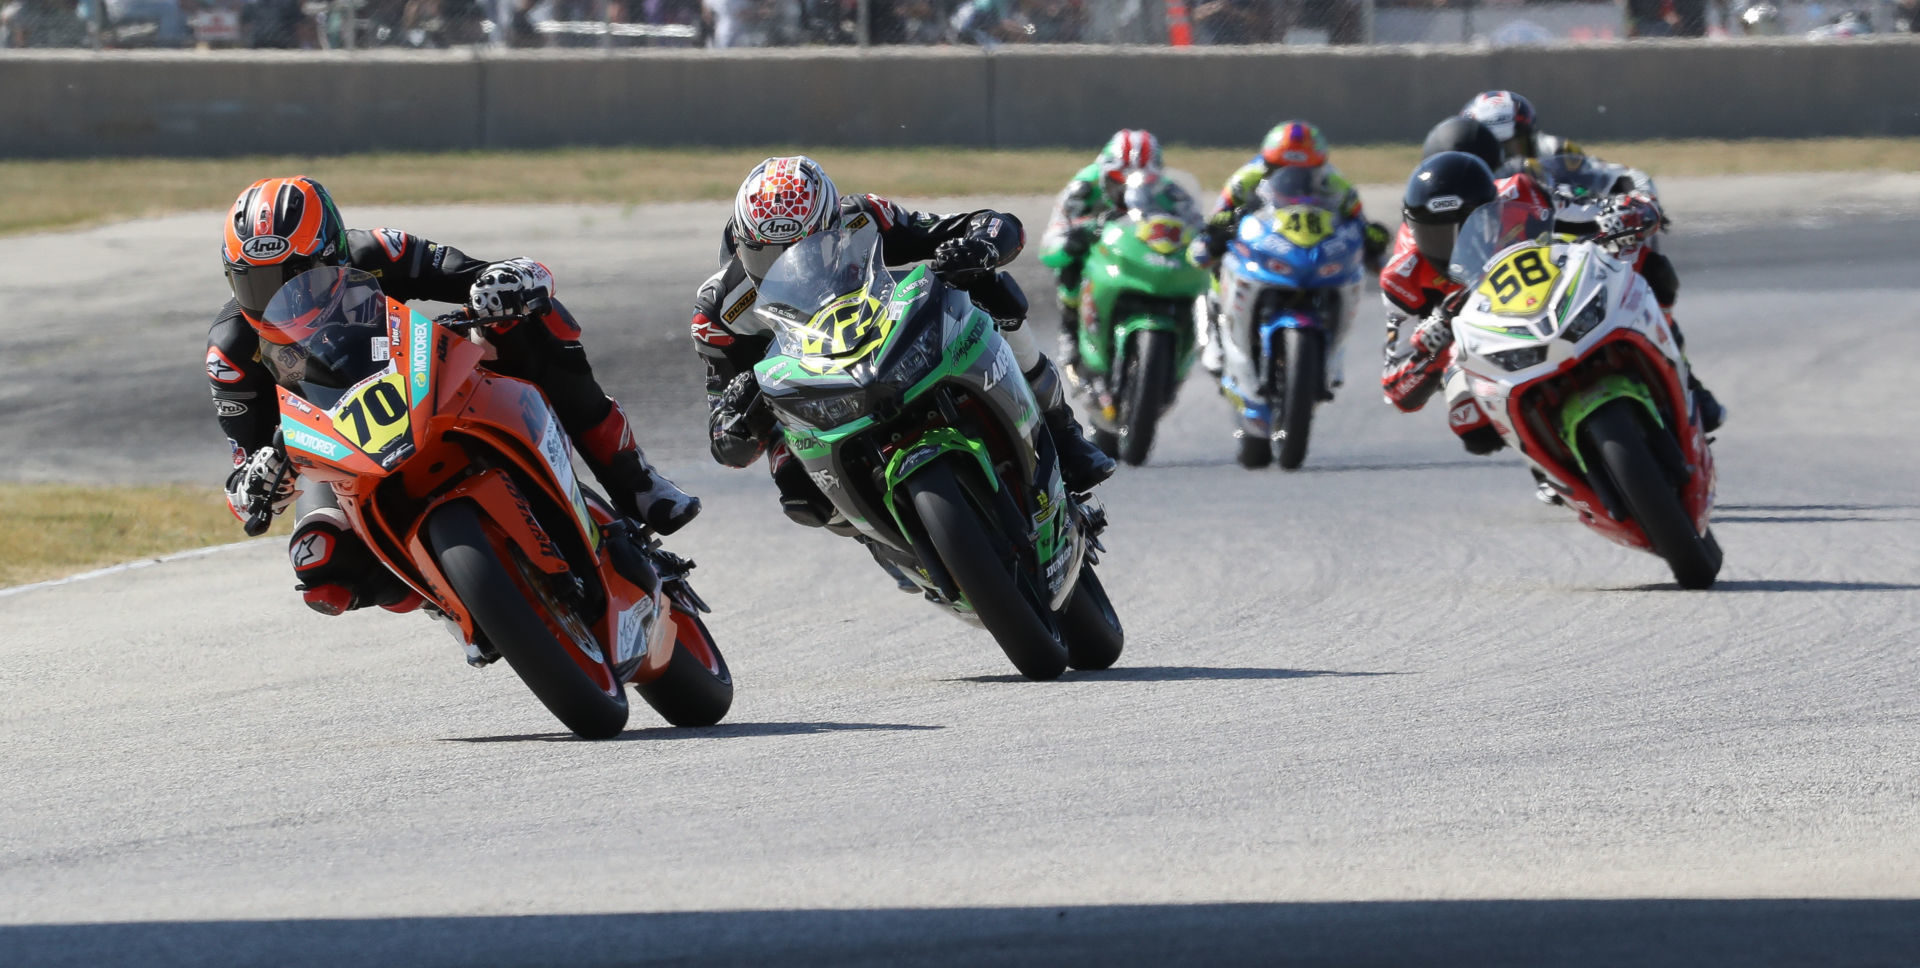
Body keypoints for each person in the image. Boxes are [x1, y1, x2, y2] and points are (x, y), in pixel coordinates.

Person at [212, 176, 698, 616]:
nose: (282, 297)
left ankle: (635, 481)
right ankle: (446, 599)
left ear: (333, 254)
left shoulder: (380, 251)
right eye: (254, 282)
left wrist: (506, 285)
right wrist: (258, 481)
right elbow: (243, 477)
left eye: (296, 277)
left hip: (422, 380)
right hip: (338, 449)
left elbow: (493, 274)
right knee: (316, 561)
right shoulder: (231, 351)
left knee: (524, 317)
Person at [690, 156, 1115, 586]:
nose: (785, 264)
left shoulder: (864, 218)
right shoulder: (718, 311)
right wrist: (740, 418)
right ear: (740, 242)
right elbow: (724, 436)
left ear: (831, 225)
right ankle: (888, 544)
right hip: (809, 399)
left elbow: (987, 225)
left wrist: (978, 245)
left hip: (886, 339)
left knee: (987, 284)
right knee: (798, 491)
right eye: (764, 255)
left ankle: (1062, 429)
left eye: (806, 247)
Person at [1191, 120, 1391, 375]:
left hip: (1310, 246)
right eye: (1280, 168)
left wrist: (1371, 242)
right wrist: (1215, 233)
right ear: (1268, 163)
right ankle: (1216, 329)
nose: (1292, 177)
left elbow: (1358, 220)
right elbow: (1218, 216)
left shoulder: (1335, 182)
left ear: (1319, 166)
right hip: (1264, 240)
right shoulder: (1246, 178)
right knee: (1220, 259)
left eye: (1305, 171)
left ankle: (1329, 341)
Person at [1039, 129, 1197, 376]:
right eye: (1117, 179)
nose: (1126, 191)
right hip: (1100, 252)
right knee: (1068, 263)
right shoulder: (1083, 187)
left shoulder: (1170, 193)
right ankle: (1069, 328)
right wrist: (1071, 240)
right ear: (1103, 170)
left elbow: (1197, 226)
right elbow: (1050, 242)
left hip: (1145, 255)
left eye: (1145, 180)